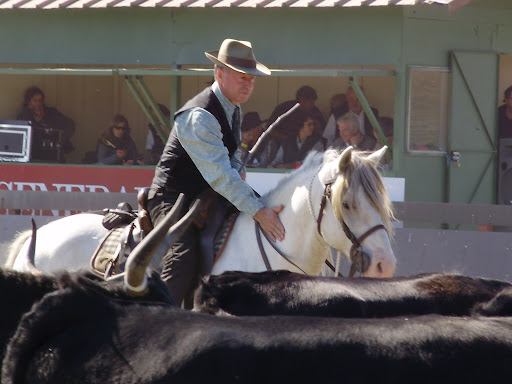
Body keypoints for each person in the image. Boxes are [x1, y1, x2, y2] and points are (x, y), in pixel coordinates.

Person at [146, 38, 285, 307]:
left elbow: (231, 159)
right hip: (172, 198)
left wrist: (240, 174)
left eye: (252, 79)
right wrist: (257, 209)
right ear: (219, 74)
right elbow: (220, 175)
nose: (248, 84)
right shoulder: (200, 116)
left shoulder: (232, 107)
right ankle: (161, 317)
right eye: (242, 77)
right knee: (183, 255)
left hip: (205, 195)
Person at [259, 85, 326, 165]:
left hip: (308, 144)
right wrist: (285, 139)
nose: (313, 104)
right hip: (281, 144)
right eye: (311, 102)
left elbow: (324, 133)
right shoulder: (285, 108)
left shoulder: (315, 112)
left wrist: (317, 127)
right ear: (302, 101)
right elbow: (269, 129)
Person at [17, 86, 76, 162]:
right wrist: (28, 113)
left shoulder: (51, 112)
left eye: (40, 100)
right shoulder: (23, 116)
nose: (38, 103)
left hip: (54, 153)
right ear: (28, 102)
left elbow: (70, 124)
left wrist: (62, 139)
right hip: (35, 155)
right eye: (35, 100)